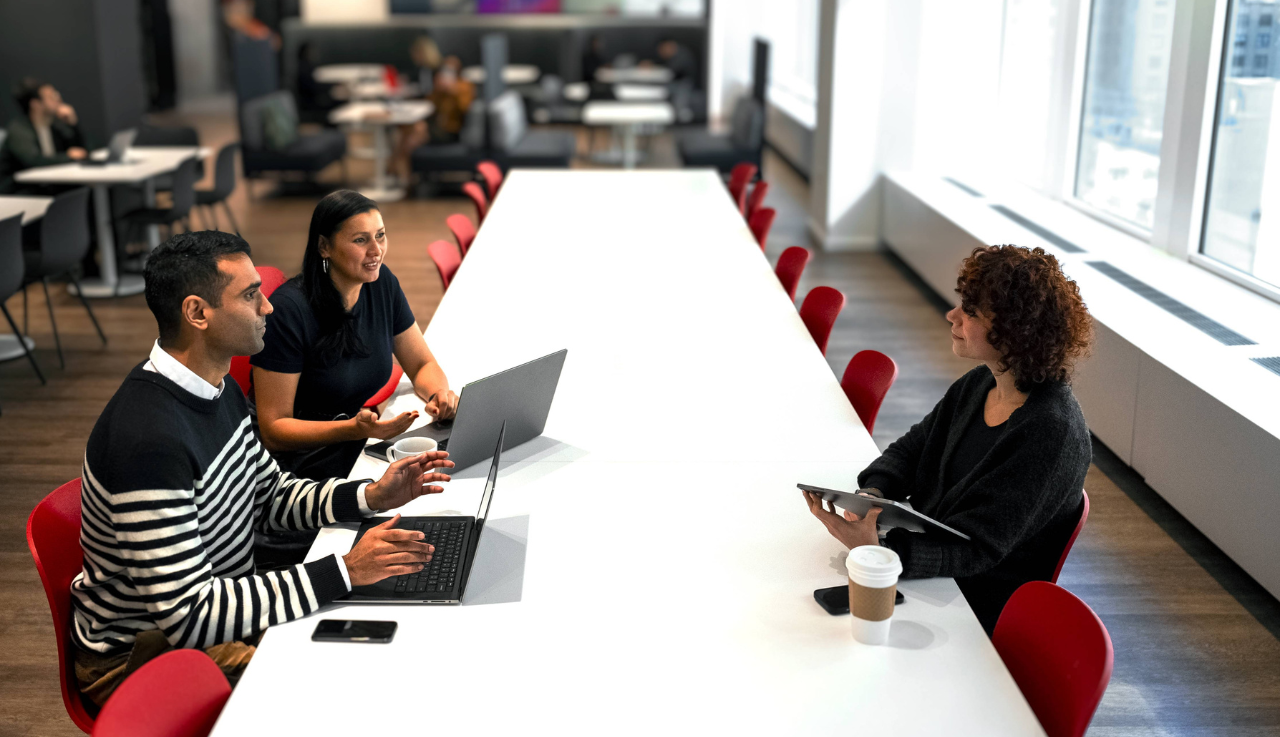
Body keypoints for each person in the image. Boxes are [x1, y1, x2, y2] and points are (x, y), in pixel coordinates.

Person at [70, 230, 454, 706]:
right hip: (141, 659)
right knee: (349, 686)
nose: (268, 307)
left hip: (220, 608)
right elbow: (189, 616)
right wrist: (346, 571)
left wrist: (370, 496)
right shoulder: (147, 443)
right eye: (251, 296)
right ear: (197, 313)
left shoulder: (217, 386)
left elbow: (268, 497)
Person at [803, 245, 1094, 635]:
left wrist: (879, 551)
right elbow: (911, 448)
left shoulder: (1050, 434)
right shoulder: (982, 383)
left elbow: (979, 550)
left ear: (1015, 331)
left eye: (970, 312)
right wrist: (874, 492)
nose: (952, 316)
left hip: (972, 604)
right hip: (931, 566)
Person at [252, 190, 459, 482]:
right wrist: (354, 429)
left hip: (356, 441)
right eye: (360, 240)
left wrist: (440, 395)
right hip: (301, 467)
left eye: (381, 235)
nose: (376, 250)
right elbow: (274, 430)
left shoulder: (380, 283)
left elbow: (422, 364)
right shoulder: (290, 311)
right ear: (324, 246)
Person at [0, 78, 87, 193]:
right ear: (36, 104)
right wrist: (68, 156)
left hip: (46, 187)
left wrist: (73, 125)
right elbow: (34, 160)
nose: (58, 98)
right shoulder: (19, 130)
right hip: (19, 192)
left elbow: (80, 151)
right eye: (51, 97)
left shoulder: (55, 126)